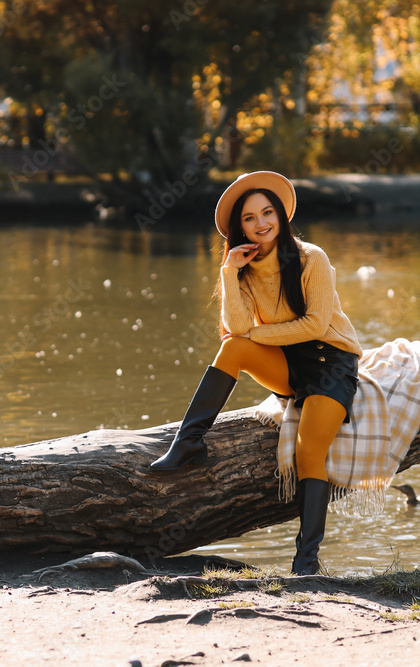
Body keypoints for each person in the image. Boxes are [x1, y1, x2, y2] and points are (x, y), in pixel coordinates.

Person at [149, 171, 362, 575]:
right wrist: (229, 272)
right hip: (287, 362)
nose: (261, 223)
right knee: (233, 347)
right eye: (250, 218)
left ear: (281, 214)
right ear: (239, 226)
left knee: (308, 452)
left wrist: (257, 333)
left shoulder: (312, 258)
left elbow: (316, 325)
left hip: (331, 362)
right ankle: (189, 441)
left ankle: (306, 562)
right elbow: (235, 329)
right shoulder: (242, 267)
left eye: (267, 213)